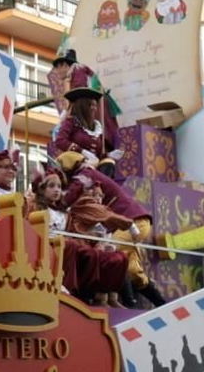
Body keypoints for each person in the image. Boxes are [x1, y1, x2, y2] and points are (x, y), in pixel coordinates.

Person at [56, 151, 166, 308]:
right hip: (138, 221)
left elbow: (71, 195)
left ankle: (105, 300)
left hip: (132, 221)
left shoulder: (84, 174)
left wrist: (57, 202)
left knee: (108, 256)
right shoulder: (91, 174)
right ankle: (160, 304)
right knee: (133, 270)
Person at [30, 163, 126, 305]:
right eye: (51, 186)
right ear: (41, 189)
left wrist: (95, 240)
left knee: (95, 253)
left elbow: (75, 232)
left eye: (59, 187)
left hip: (66, 245)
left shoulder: (64, 213)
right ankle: (69, 290)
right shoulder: (34, 207)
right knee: (72, 246)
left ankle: (92, 293)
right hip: (45, 245)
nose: (57, 190)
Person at [50, 66, 119, 169]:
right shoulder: (71, 122)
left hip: (93, 167)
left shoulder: (96, 127)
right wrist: (82, 151)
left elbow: (97, 155)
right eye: (92, 105)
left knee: (109, 163)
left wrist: (108, 155)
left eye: (96, 106)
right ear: (83, 106)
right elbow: (60, 141)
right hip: (76, 166)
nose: (95, 109)